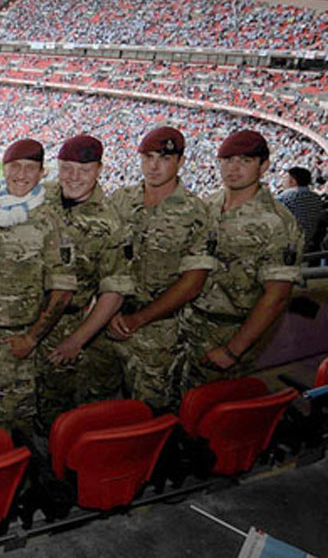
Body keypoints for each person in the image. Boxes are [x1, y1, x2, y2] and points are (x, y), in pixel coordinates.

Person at [0, 139, 75, 443]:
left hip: (14, 343)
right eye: (15, 166)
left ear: (41, 172)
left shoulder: (50, 221)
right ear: (4, 168)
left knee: (11, 430)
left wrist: (31, 338)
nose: (21, 174)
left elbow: (62, 291)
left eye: (30, 168)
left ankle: (18, 487)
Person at [178, 130, 303, 389]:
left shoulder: (277, 222)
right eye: (227, 160)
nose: (233, 168)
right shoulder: (209, 205)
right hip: (187, 326)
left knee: (211, 415)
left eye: (245, 160)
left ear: (264, 166)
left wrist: (233, 351)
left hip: (228, 333)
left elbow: (277, 295)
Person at [105, 126, 215, 411]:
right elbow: (101, 258)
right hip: (107, 321)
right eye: (148, 157)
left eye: (164, 158)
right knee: (104, 407)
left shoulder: (196, 211)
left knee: (152, 412)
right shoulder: (120, 200)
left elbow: (193, 281)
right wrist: (109, 310)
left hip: (158, 332)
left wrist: (138, 320)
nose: (153, 166)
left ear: (180, 162)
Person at [37, 135, 133, 432]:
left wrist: (75, 341)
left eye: (84, 170)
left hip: (65, 325)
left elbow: (114, 292)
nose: (74, 177)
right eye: (66, 168)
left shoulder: (111, 223)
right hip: (23, 318)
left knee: (53, 407)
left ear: (100, 170)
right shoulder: (41, 195)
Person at [277, 166, 327, 255]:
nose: (282, 181)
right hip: (307, 244)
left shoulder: (285, 198)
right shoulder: (316, 198)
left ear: (292, 181)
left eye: (285, 178)